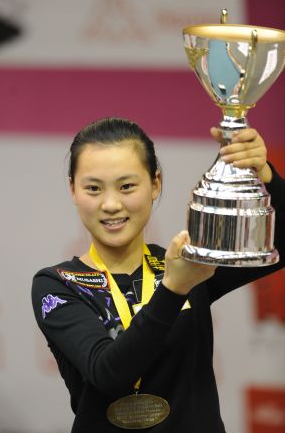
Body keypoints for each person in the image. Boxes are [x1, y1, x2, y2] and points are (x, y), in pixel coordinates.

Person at [32, 117, 285, 432]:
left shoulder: (186, 265)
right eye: (93, 188)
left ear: (155, 184)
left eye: (127, 186)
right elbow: (109, 373)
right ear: (73, 189)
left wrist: (265, 173)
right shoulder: (58, 285)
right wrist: (173, 290)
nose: (110, 204)